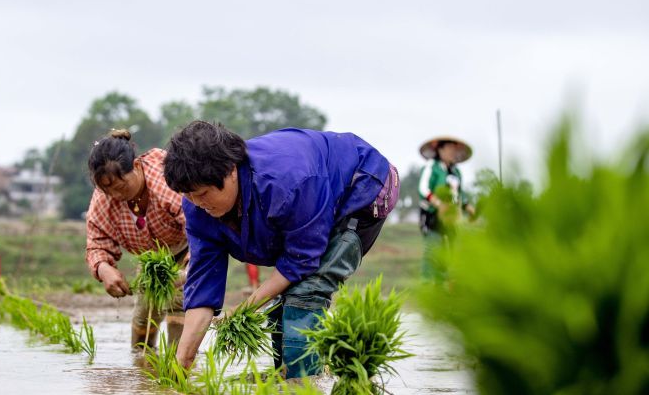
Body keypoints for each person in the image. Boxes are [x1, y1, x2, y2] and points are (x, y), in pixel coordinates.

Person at [163, 121, 399, 378]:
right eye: (189, 196)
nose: (198, 203)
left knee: (307, 293)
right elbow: (203, 284)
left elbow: (300, 260)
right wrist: (181, 363)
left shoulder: (286, 182)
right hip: (312, 195)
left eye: (204, 193)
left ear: (230, 171)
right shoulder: (197, 208)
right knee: (279, 304)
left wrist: (244, 309)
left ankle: (304, 389)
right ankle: (286, 376)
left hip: (362, 185)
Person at [85, 129, 187, 349]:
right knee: (145, 312)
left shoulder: (164, 181)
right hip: (149, 260)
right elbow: (96, 242)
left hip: (187, 249)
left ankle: (180, 366)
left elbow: (197, 225)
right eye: (108, 190)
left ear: (138, 167)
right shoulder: (104, 198)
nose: (116, 195)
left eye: (121, 187)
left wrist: (190, 267)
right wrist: (104, 269)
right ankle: (141, 365)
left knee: (179, 304)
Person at [417, 136, 475, 278]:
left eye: (454, 150)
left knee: (450, 254)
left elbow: (459, 194)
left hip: (451, 220)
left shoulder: (456, 173)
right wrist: (438, 203)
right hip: (432, 217)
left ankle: (445, 286)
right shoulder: (433, 166)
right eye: (449, 148)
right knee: (433, 250)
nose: (453, 152)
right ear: (440, 149)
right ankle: (428, 283)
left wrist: (468, 207)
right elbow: (423, 188)